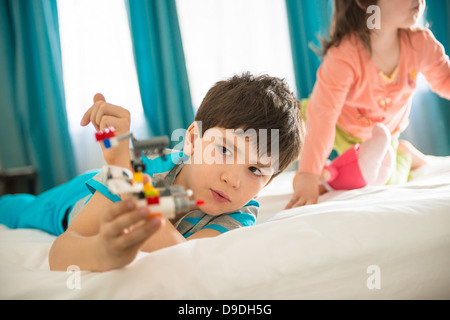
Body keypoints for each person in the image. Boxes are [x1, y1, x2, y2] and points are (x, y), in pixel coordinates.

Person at [0, 73, 304, 271]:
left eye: (255, 169)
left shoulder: (238, 215)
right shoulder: (149, 167)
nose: (233, 179)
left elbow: (183, 257)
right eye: (224, 150)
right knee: (14, 207)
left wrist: (106, 247)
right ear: (194, 140)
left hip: (125, 176)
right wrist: (123, 171)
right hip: (71, 201)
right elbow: (63, 250)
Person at [286, 0, 450, 208]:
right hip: (331, 123)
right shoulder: (345, 55)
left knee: (381, 179)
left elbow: (445, 79)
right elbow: (323, 117)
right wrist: (308, 174)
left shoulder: (421, 44)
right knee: (286, 132)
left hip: (377, 136)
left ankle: (403, 153)